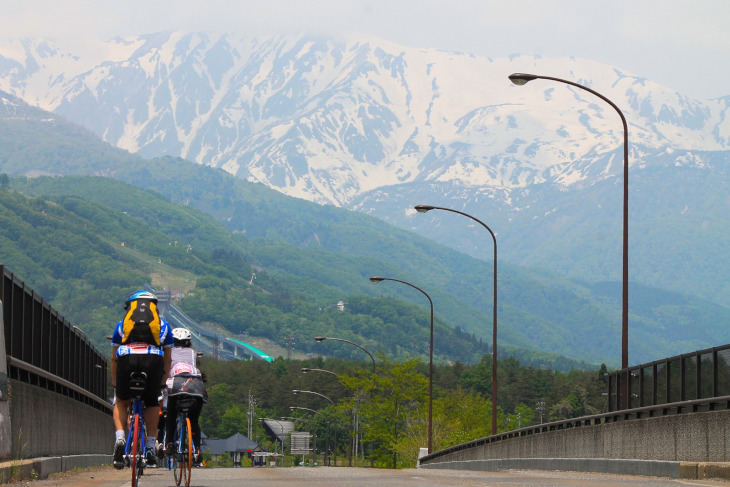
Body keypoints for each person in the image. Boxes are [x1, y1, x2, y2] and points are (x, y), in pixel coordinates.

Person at [111, 290, 173, 469]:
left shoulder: (122, 325)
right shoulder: (164, 326)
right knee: (152, 402)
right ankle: (151, 446)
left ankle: (121, 438)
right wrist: (162, 380)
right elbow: (168, 358)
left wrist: (115, 381)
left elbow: (114, 357)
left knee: (122, 401)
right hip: (153, 360)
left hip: (126, 358)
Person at [165, 327, 208, 467]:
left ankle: (170, 443)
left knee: (171, 414)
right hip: (195, 385)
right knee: (194, 420)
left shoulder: (168, 352)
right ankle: (197, 450)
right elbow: (199, 371)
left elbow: (165, 371)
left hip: (176, 383)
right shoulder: (193, 354)